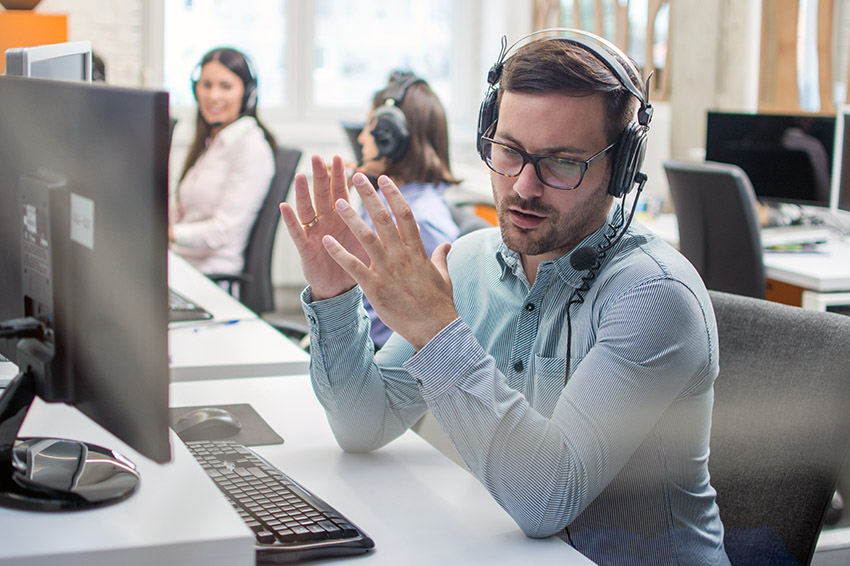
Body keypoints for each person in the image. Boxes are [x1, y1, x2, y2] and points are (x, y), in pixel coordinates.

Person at [280, 29, 729, 566]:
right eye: (509, 151)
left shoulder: (654, 296)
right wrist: (334, 294)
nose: (522, 187)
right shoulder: (472, 261)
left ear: (622, 170)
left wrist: (436, 332)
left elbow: (547, 499)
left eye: (563, 162)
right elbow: (363, 424)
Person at [353, 71, 461, 348]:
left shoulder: (420, 221)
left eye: (369, 128)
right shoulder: (389, 199)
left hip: (385, 360)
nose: (362, 139)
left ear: (392, 137)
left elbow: (435, 333)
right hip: (362, 342)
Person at [169, 47, 276, 275]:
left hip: (210, 276)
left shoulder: (251, 148)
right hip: (180, 266)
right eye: (206, 85)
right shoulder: (213, 143)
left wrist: (168, 233)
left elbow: (221, 232)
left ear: (247, 94)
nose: (213, 96)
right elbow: (182, 209)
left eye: (225, 86)